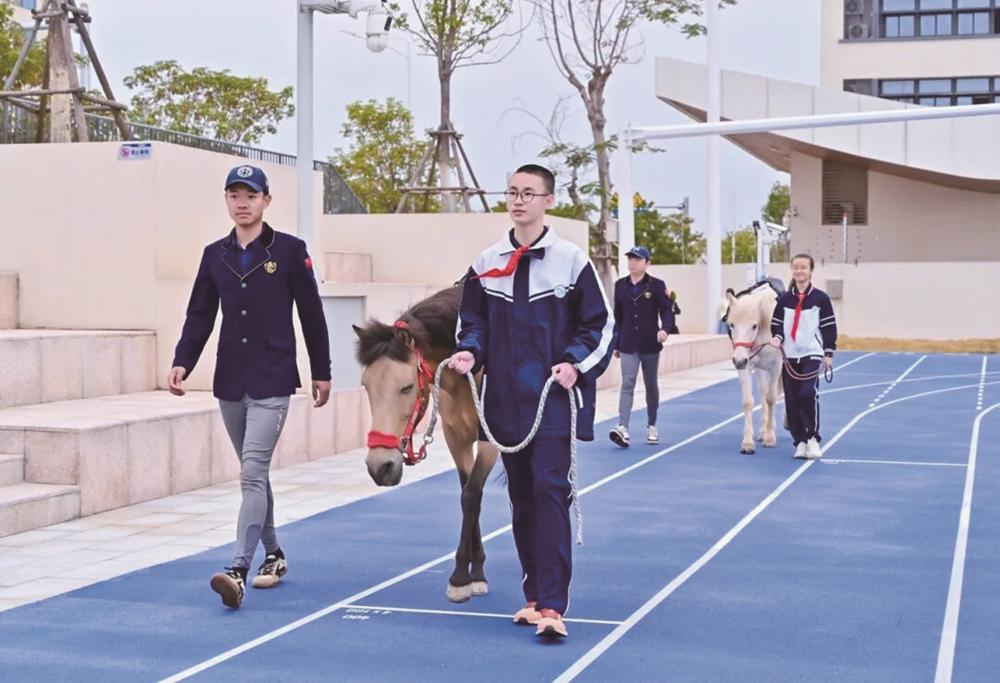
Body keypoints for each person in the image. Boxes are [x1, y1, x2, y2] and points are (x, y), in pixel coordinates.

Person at [448, 164, 613, 640]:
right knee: (520, 497)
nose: (519, 200)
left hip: (552, 400)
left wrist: (574, 364)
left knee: (550, 492)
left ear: (548, 201)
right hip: (503, 402)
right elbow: (472, 323)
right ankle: (534, 597)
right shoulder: (485, 262)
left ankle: (554, 606)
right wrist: (470, 351)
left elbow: (600, 327)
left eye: (529, 193)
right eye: (513, 192)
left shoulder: (571, 261)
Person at [168, 165, 332, 609]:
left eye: (251, 195)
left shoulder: (290, 251)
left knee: (252, 471)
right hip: (230, 378)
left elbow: (312, 314)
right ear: (226, 200)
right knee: (253, 473)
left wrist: (322, 370)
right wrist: (183, 361)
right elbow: (200, 313)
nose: (243, 203)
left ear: (266, 201)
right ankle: (274, 554)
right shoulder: (214, 254)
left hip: (273, 376)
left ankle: (237, 570)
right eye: (235, 195)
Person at [769, 253, 836, 460]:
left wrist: (828, 353)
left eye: (803, 267)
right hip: (789, 355)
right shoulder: (784, 300)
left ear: (810, 271)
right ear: (792, 270)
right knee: (791, 400)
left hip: (811, 353)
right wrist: (778, 337)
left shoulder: (820, 298)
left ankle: (812, 438)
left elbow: (828, 326)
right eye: (796, 267)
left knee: (807, 393)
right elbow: (776, 323)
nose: (799, 271)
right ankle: (799, 441)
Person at [609, 246, 674, 448]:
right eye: (630, 259)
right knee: (627, 383)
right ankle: (623, 427)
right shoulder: (620, 286)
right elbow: (618, 317)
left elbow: (667, 311)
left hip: (650, 343)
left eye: (637, 260)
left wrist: (665, 330)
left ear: (647, 263)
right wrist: (616, 344)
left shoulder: (657, 286)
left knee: (650, 384)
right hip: (628, 343)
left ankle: (651, 425)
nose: (633, 263)